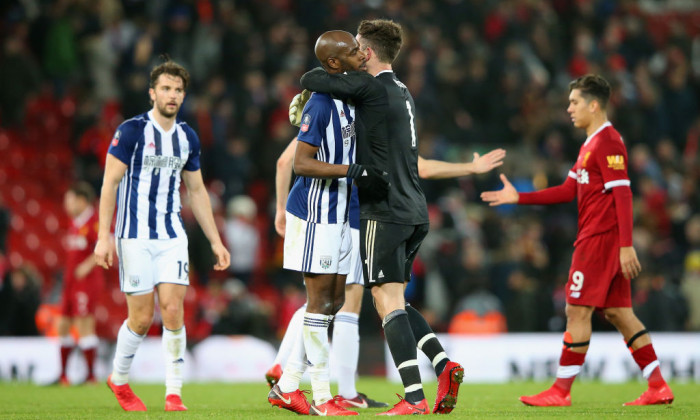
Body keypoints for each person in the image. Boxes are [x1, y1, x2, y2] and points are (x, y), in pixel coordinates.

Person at [300, 19, 467, 415]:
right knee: (395, 298)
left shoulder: (369, 86)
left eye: (358, 48)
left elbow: (314, 74)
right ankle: (445, 366)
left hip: (385, 209)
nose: (354, 54)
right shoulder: (403, 91)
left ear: (368, 53)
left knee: (385, 299)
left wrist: (330, 69)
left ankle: (413, 398)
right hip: (415, 209)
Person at [268, 134, 505, 410]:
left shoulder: (335, 117)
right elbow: (422, 166)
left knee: (328, 300)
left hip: (328, 214)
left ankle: (288, 373)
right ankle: (332, 387)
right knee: (345, 304)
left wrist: (281, 209)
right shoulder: (366, 122)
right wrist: (469, 168)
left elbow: (285, 161)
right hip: (362, 218)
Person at [481, 74, 674, 407]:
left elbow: (624, 194)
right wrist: (519, 197)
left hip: (599, 240)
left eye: (574, 102)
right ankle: (658, 385)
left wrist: (626, 244)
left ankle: (560, 392)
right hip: (601, 239)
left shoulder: (608, 141)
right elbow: (567, 191)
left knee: (576, 310)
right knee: (618, 313)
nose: (568, 108)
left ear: (594, 105)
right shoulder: (589, 144)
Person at [94, 60, 230, 412]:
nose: (172, 95)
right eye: (166, 88)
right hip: (134, 235)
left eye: (178, 90)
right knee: (140, 318)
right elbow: (109, 183)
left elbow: (197, 191)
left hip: (172, 236)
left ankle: (174, 393)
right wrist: (103, 236)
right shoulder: (131, 131)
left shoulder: (187, 136)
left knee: (172, 310)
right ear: (152, 93)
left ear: (184, 96)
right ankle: (119, 380)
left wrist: (215, 241)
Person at [266, 30, 389, 417]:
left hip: (339, 212)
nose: (361, 54)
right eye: (353, 51)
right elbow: (300, 162)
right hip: (316, 212)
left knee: (333, 302)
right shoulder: (320, 106)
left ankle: (287, 386)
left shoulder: (349, 95)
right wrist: (353, 170)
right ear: (334, 63)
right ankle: (321, 396)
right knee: (319, 303)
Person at [56, 182, 104, 385]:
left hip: (86, 282)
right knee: (63, 325)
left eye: (70, 200)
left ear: (82, 200)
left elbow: (107, 244)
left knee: (85, 325)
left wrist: (87, 264)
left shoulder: (95, 221)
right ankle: (64, 376)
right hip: (70, 282)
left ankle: (91, 376)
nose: (67, 204)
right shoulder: (74, 222)